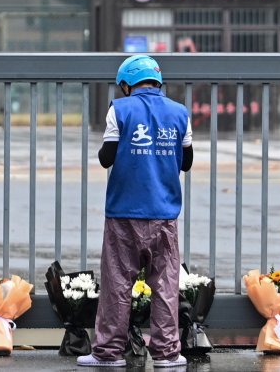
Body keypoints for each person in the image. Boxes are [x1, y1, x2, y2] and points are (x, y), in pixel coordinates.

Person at [77, 54, 193, 368]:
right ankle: (168, 353)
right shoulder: (180, 113)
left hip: (123, 212)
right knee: (165, 284)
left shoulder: (120, 109)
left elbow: (106, 157)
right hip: (164, 213)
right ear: (157, 82)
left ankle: (108, 353)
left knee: (117, 282)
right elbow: (187, 162)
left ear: (127, 85)